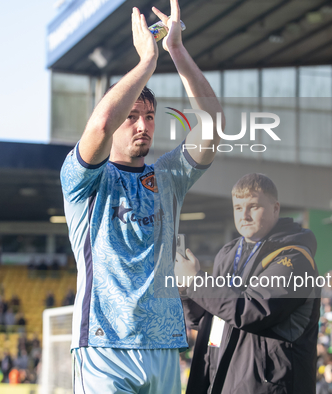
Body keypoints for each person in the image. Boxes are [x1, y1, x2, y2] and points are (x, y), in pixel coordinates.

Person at [60, 0, 223, 392]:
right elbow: (99, 124)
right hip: (104, 345)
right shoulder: (81, 180)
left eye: (149, 117)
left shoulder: (167, 177)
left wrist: (178, 53)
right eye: (132, 116)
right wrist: (145, 63)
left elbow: (213, 126)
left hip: (163, 345)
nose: (142, 125)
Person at [175, 173, 319, 394]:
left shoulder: (295, 258)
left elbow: (252, 310)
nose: (245, 215)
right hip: (220, 380)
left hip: (265, 387)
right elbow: (207, 319)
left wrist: (196, 282)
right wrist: (185, 290)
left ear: (275, 209)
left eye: (254, 206)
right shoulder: (228, 252)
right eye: (238, 207)